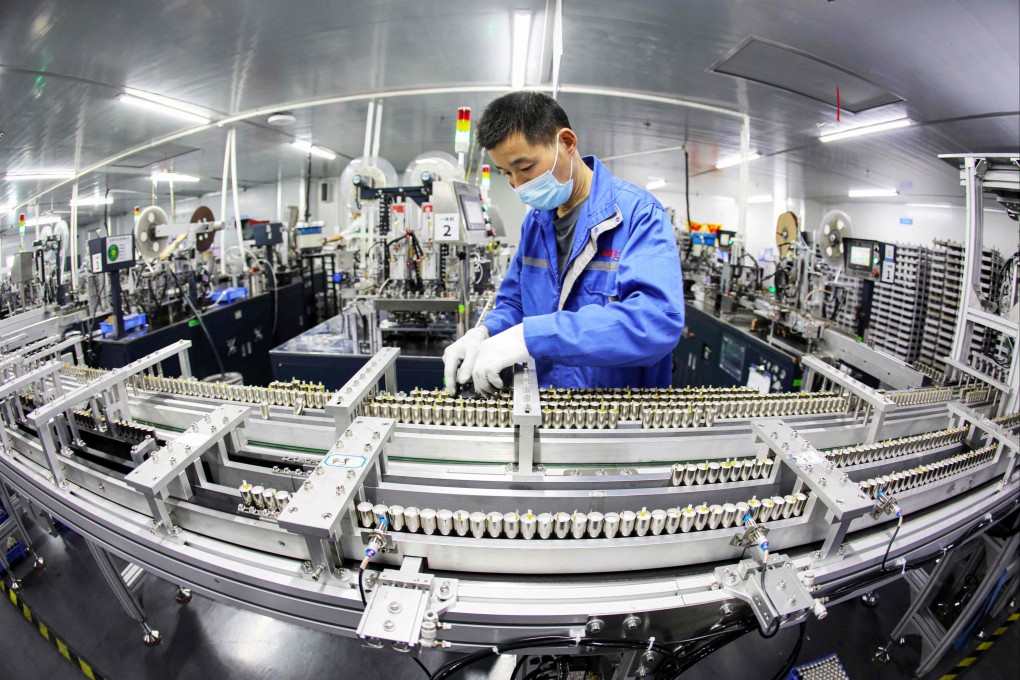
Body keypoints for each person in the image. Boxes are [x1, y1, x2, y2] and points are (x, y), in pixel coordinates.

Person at [443, 91, 684, 395]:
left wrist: (530, 338)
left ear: (567, 143)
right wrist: (483, 333)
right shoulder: (536, 222)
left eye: (526, 167)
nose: (518, 185)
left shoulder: (638, 214)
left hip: (619, 415)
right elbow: (515, 302)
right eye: (507, 174)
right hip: (546, 407)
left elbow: (654, 322)